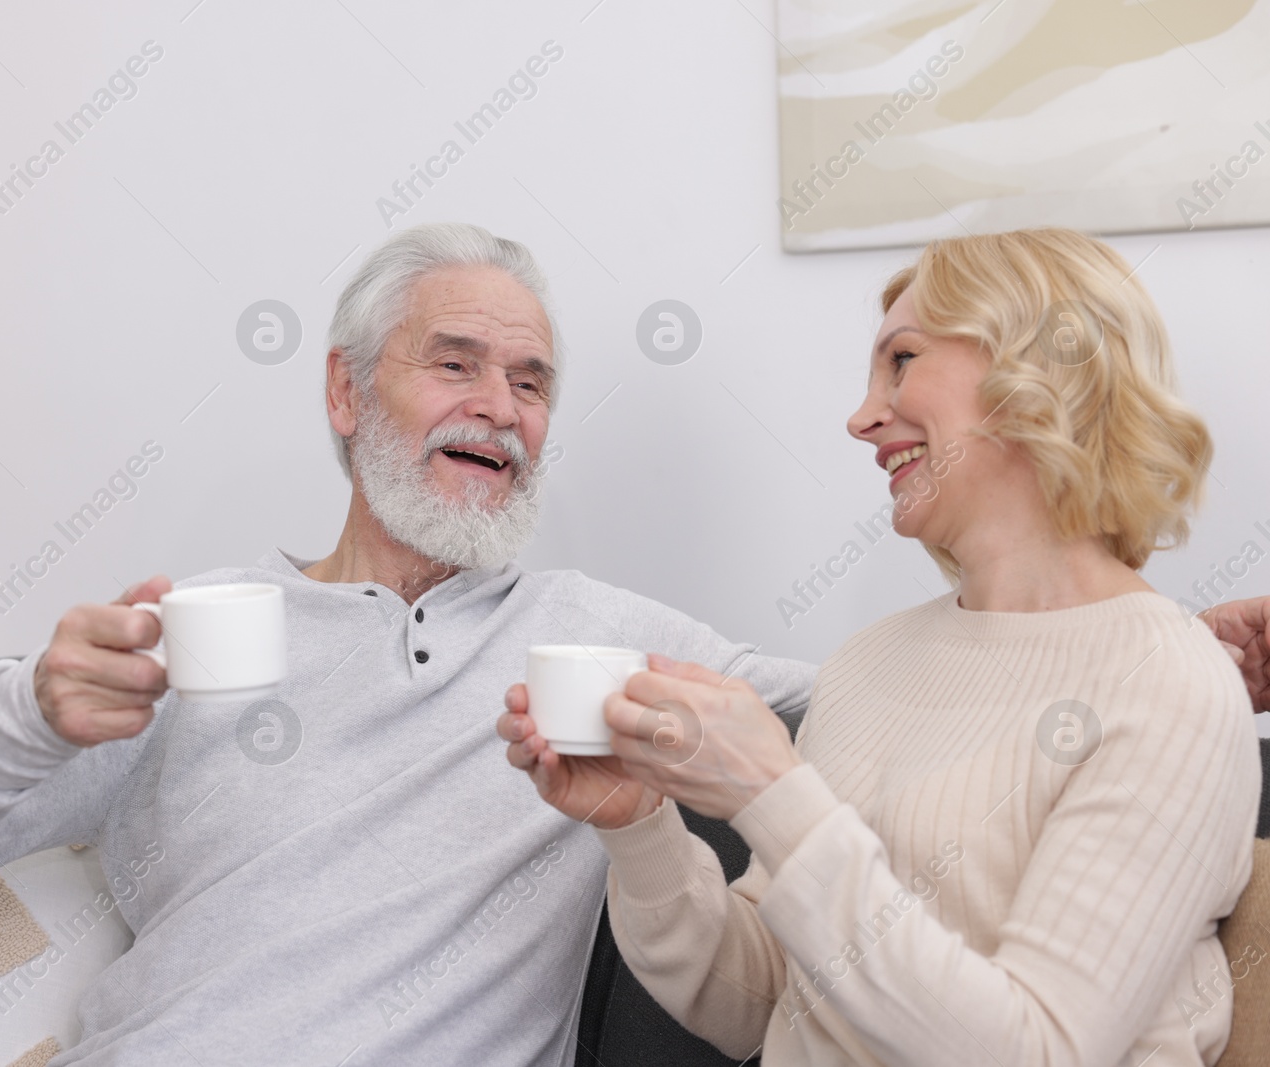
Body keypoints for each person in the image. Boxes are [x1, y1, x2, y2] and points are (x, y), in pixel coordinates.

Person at [0, 222, 1264, 1066]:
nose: (500, 404)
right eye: (454, 361)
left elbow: (949, 712)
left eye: (532, 379)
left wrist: (1158, 646)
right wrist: (28, 708)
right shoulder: (189, 636)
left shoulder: (603, 643)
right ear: (341, 391)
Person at [500, 227, 1262, 1066]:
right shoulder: (869, 662)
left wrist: (773, 791)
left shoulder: (1174, 688)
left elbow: (1037, 1050)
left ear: (1040, 367)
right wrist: (639, 826)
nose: (862, 417)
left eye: (902, 360)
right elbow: (759, 1003)